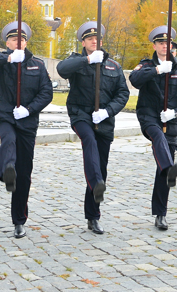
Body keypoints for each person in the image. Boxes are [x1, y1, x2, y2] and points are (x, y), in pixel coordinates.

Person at [0, 22, 54, 239]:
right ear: (7, 43)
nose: (18, 42)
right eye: (13, 39)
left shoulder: (38, 65)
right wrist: (10, 58)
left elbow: (46, 92)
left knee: (25, 175)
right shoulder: (2, 61)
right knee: (8, 140)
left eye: (21, 39)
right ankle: (6, 171)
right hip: (5, 116)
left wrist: (29, 110)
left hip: (27, 122)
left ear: (26, 42)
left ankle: (19, 221)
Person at [57, 22, 130, 235]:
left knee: (102, 167)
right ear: (83, 42)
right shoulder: (76, 61)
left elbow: (123, 94)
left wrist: (108, 111)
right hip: (81, 115)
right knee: (88, 140)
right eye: (89, 39)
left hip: (104, 120)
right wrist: (88, 60)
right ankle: (96, 181)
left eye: (97, 39)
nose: (93, 41)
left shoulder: (114, 66)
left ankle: (93, 216)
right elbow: (61, 69)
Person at [129, 25, 177, 231]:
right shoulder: (146, 65)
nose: (164, 47)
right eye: (160, 43)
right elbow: (135, 80)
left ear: (172, 47)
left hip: (171, 122)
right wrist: (158, 70)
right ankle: (170, 168)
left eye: (167, 44)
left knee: (162, 169)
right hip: (149, 117)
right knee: (158, 139)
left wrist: (175, 112)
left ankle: (160, 214)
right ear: (154, 46)